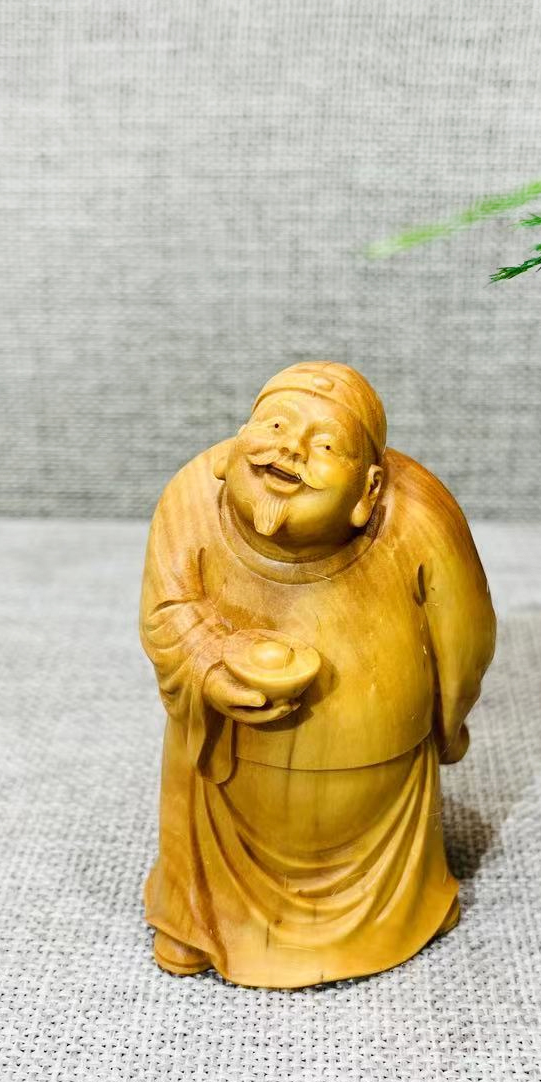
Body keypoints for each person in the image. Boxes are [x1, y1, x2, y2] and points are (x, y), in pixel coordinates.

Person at [140, 361, 496, 988]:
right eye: (274, 425)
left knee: (399, 879)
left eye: (326, 446)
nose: (289, 450)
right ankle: (199, 921)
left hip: (381, 803)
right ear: (235, 441)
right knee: (197, 807)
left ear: (369, 490)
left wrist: (449, 723)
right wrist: (209, 662)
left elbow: (466, 639)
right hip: (228, 783)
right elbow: (166, 610)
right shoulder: (191, 498)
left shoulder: (420, 519)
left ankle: (410, 904)